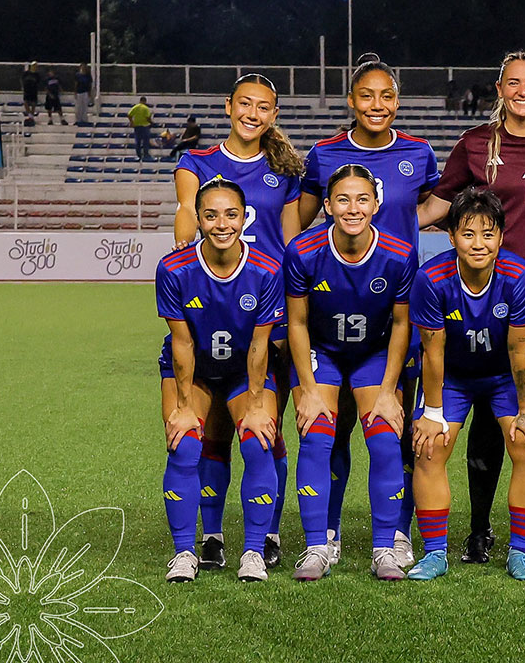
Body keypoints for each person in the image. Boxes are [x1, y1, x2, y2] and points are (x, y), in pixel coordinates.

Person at [417, 49, 525, 565]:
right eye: (512, 82)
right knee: (485, 412)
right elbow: (439, 206)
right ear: (499, 89)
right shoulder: (476, 143)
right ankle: (479, 529)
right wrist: (371, 221)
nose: (522, 90)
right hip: (490, 287)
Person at [298, 53, 438, 571]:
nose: (377, 104)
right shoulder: (324, 154)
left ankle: (394, 536)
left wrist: (408, 232)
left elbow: (439, 203)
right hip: (331, 312)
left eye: (386, 96)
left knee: (390, 431)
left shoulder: (419, 152)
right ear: (351, 101)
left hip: (391, 310)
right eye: (366, 95)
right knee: (325, 431)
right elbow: (297, 219)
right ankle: (324, 536)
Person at [171, 72, 305, 573]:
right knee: (212, 432)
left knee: (264, 427)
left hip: (268, 312)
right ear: (228, 106)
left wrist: (297, 307)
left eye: (263, 106)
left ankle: (267, 532)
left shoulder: (283, 170)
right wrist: (185, 254)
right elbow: (187, 212)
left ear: (274, 114)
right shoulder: (197, 162)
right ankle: (211, 537)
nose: (252, 113)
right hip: (212, 307)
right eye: (245, 104)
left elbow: (290, 241)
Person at [407, 188, 525, 582]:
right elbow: (432, 353)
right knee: (429, 448)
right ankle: (435, 553)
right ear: (451, 236)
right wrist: (433, 413)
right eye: (468, 234)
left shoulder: (521, 277)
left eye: (488, 234)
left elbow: (520, 350)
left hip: (505, 375)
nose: (479, 243)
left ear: (501, 236)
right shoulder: (430, 279)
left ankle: (521, 552)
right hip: (452, 376)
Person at [285, 164, 417, 582]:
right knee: (317, 432)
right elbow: (297, 323)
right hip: (322, 351)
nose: (353, 208)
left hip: (373, 353)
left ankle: (384, 549)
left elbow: (402, 325)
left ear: (376, 204)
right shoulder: (303, 251)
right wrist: (308, 389)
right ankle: (317, 547)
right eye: (343, 199)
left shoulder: (399, 254)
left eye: (362, 199)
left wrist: (389, 390)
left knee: (385, 436)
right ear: (327, 206)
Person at [158, 178, 283, 583]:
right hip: (193, 371)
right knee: (183, 443)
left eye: (231, 214)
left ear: (244, 218)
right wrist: (182, 407)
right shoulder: (174, 269)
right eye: (210, 215)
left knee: (258, 441)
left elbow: (260, 345)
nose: (221, 224)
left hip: (244, 371)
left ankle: (253, 552)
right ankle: (185, 553)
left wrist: (258, 404)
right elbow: (182, 343)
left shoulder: (267, 270)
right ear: (197, 218)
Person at [128, 96, 153, 161]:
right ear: (145, 101)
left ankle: (138, 155)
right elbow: (147, 117)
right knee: (145, 141)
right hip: (144, 126)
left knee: (138, 141)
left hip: (137, 126)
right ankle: (146, 154)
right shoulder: (145, 108)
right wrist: (151, 122)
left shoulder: (135, 107)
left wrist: (131, 122)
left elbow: (129, 115)